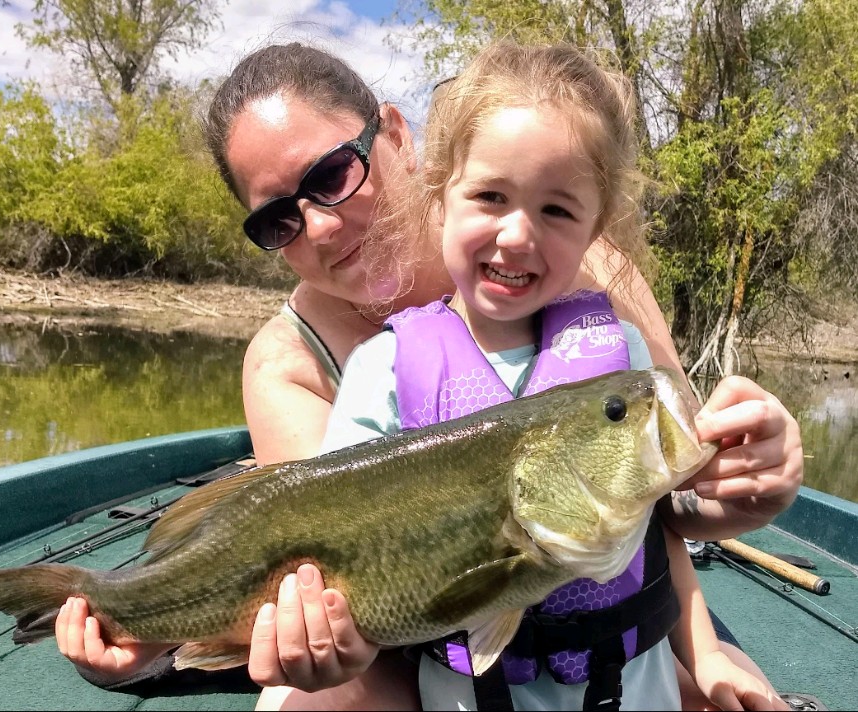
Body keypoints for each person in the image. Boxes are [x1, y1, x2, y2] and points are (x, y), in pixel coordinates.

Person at [53, 41, 803, 710]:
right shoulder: (287, 362)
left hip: (612, 612)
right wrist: (159, 639)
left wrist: (709, 622)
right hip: (418, 645)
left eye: (331, 174)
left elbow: (653, 495)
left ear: (398, 136)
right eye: (276, 219)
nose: (317, 224)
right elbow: (315, 576)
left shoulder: (581, 267)